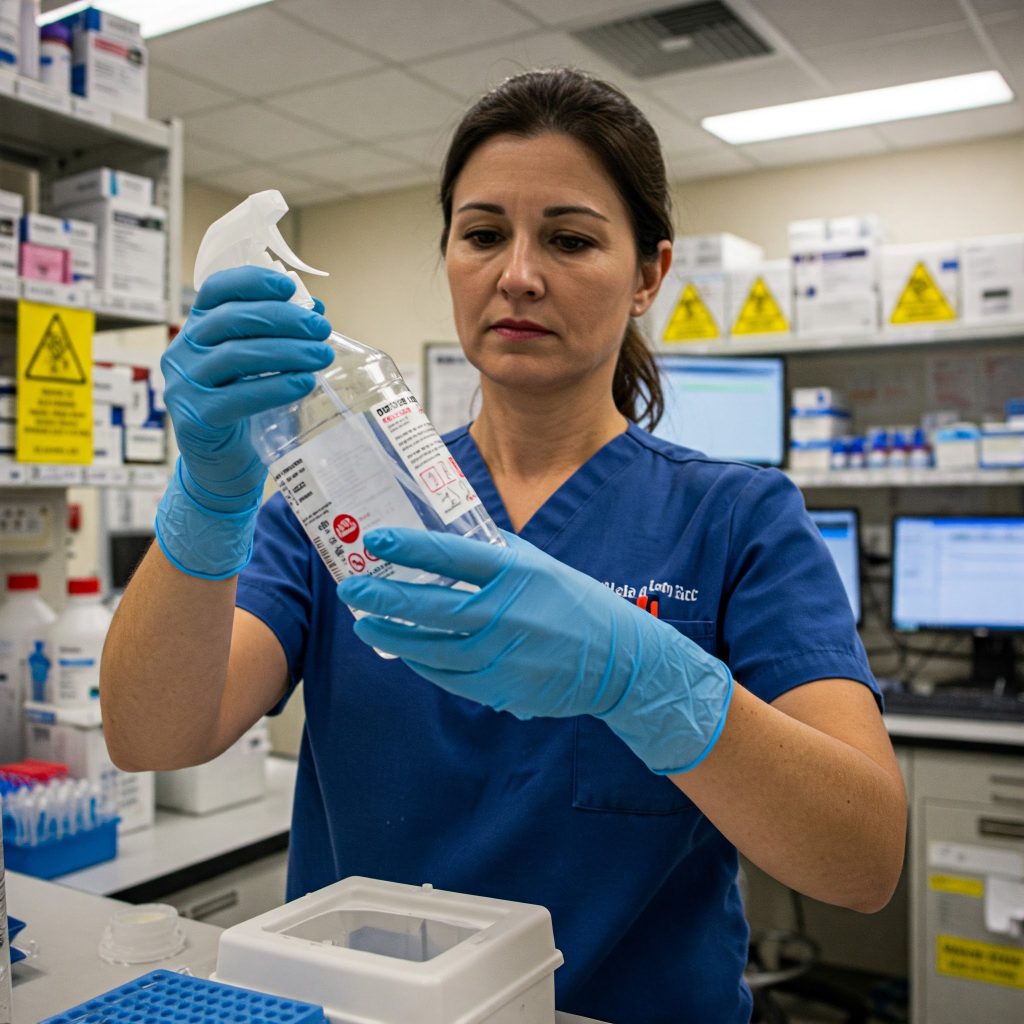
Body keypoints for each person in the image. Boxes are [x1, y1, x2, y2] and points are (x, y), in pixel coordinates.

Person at [101, 68, 906, 1023]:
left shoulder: (737, 518)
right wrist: (208, 496)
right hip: (362, 1009)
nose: (517, 274)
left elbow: (861, 862)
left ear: (650, 273)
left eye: (568, 239)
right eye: (482, 234)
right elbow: (151, 736)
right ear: (448, 255)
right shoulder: (332, 501)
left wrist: (646, 679)